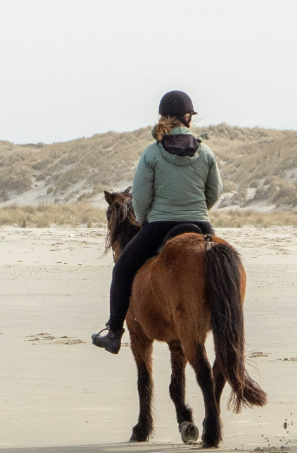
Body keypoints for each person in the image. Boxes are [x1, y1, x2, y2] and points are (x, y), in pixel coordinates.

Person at [91, 90, 223, 354]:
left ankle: (115, 332)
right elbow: (215, 193)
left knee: (122, 270)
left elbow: (140, 198)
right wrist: (198, 212)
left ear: (164, 118)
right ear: (187, 118)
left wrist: (146, 219)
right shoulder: (206, 153)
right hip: (201, 224)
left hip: (159, 225)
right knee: (223, 268)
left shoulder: (152, 154)